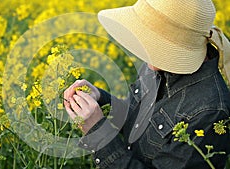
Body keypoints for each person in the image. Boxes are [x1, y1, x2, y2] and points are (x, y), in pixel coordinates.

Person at [63, 0, 230, 168]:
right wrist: (101, 98)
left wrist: (98, 133)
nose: (143, 49)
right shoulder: (158, 64)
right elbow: (137, 118)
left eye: (152, 42)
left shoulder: (210, 112)